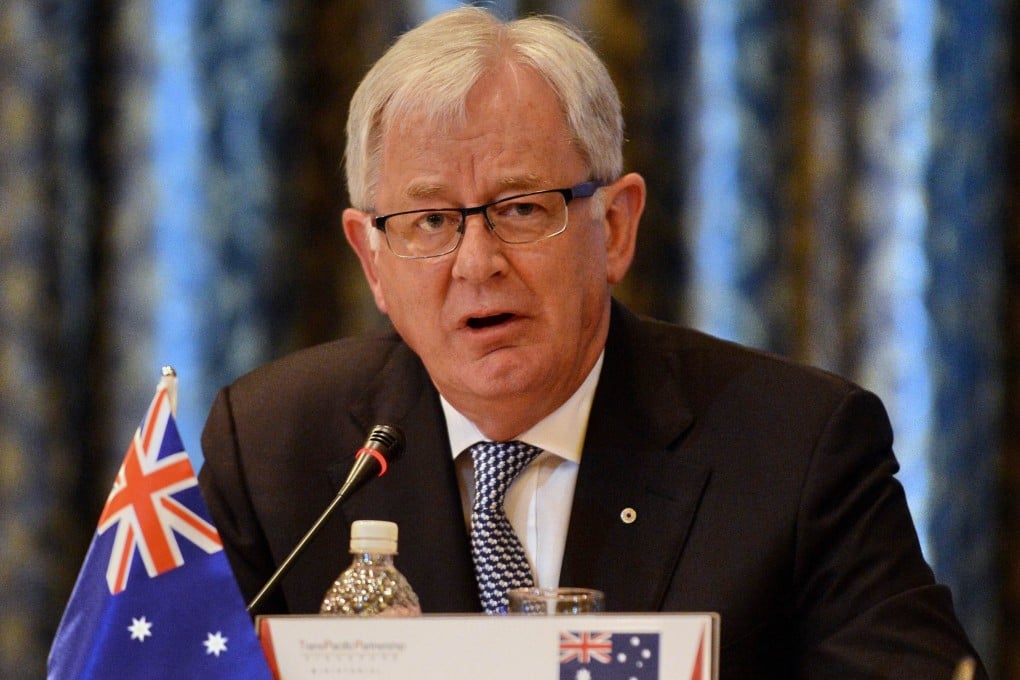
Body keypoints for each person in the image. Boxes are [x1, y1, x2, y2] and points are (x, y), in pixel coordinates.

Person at [198, 6, 986, 678]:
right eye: (430, 221)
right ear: (372, 258)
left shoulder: (798, 449)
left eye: (522, 208)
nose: (478, 264)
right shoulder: (275, 450)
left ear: (614, 227)